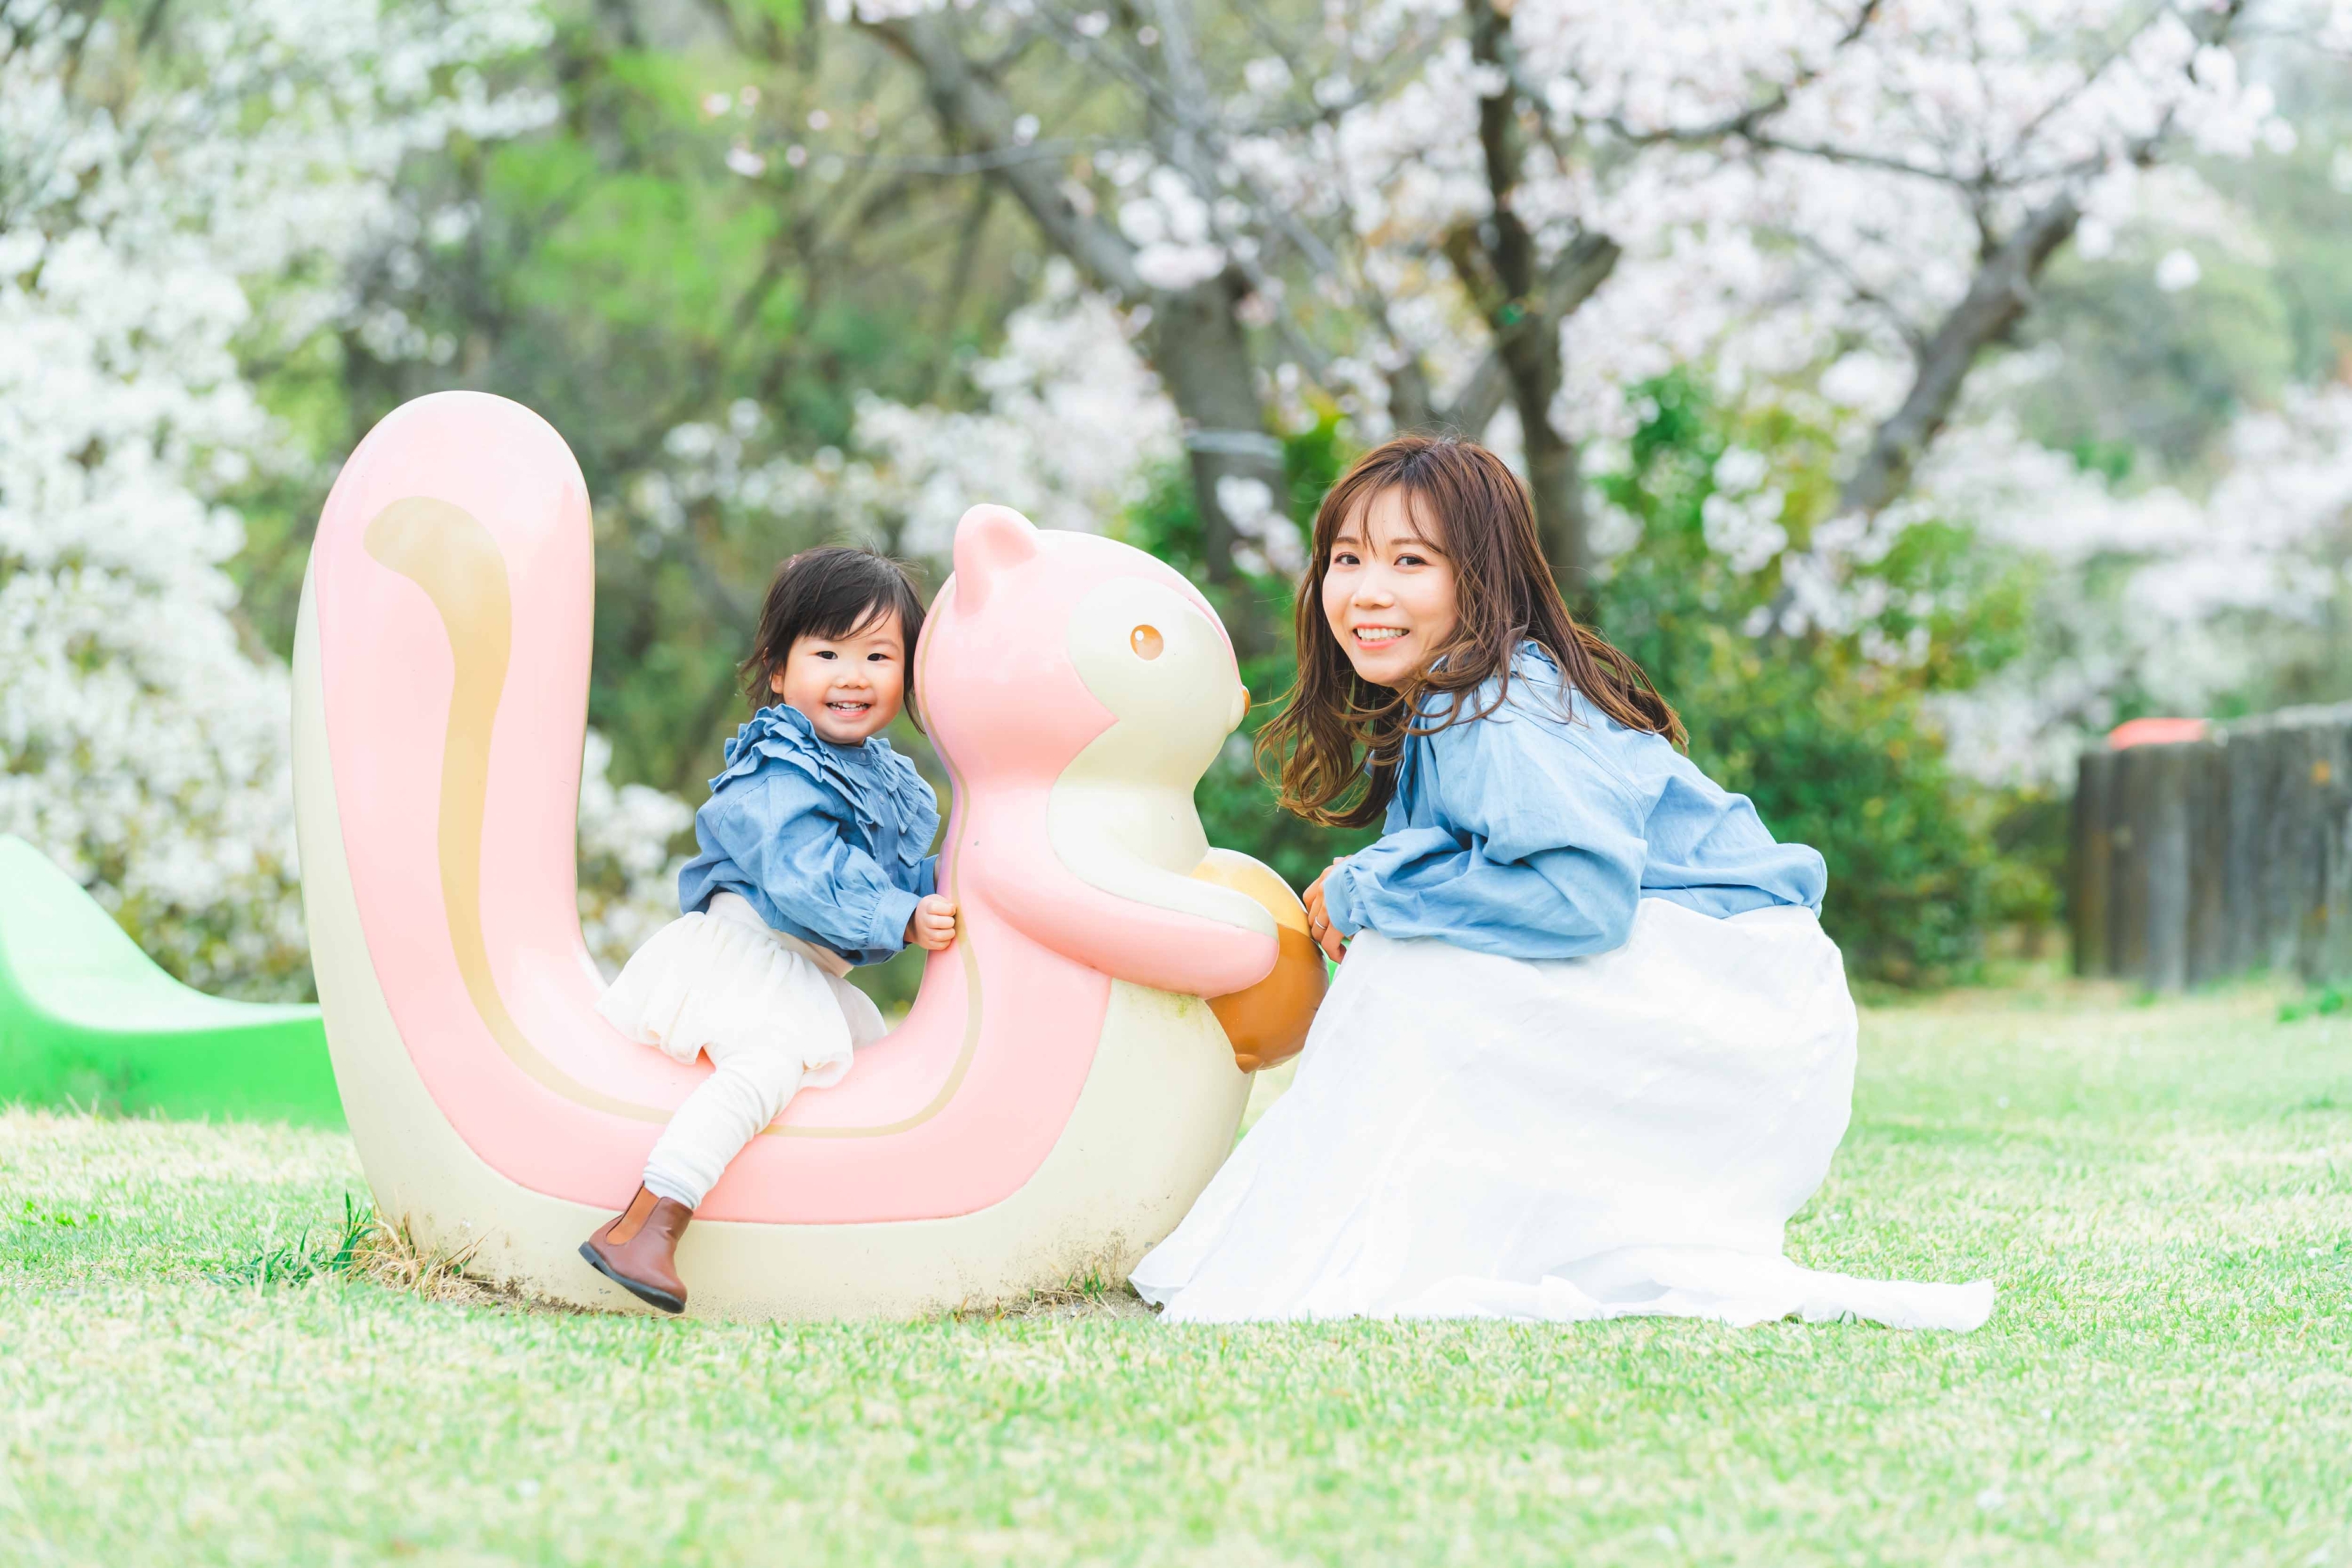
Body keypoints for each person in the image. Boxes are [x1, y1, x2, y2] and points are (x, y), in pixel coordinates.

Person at [1131, 436, 1994, 1330]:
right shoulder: (1459, 698)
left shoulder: (1495, 702)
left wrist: (1372, 892)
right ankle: (1364, 1238)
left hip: (1739, 989)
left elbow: (1582, 898)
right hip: (1728, 988)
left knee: (1407, 967)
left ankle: (1347, 1248)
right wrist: (1379, 885)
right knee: (1410, 956)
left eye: (1410, 561)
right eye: (1346, 559)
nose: (1367, 591)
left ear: (1481, 578)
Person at [580, 547, 957, 1314]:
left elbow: (885, 871)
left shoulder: (880, 774)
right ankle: (649, 1217)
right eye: (827, 651)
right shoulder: (779, 768)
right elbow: (802, 871)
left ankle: (861, 1220)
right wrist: (902, 915)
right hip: (750, 948)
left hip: (808, 966)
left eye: (877, 655)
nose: (852, 674)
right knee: (774, 1057)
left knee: (880, 1058)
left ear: (909, 676)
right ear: (780, 672)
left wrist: (950, 885)